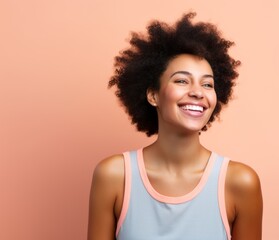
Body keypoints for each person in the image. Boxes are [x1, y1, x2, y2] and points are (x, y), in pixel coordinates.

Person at [88, 12, 263, 240]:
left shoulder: (240, 182)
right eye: (182, 80)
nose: (198, 92)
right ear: (153, 95)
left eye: (207, 84)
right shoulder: (113, 176)